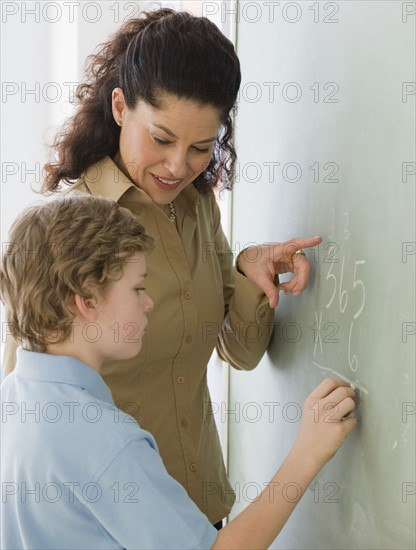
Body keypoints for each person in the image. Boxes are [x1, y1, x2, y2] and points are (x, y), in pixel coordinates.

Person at [2, 8, 322, 525]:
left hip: (201, 518)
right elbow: (30, 405)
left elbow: (238, 352)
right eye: (162, 139)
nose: (179, 167)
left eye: (201, 147)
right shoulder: (72, 232)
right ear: (121, 106)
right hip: (112, 527)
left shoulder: (196, 209)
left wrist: (248, 271)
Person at [0, 195, 357, 549]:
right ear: (86, 300)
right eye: (138, 287)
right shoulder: (106, 442)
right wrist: (306, 454)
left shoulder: (14, 398)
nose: (149, 302)